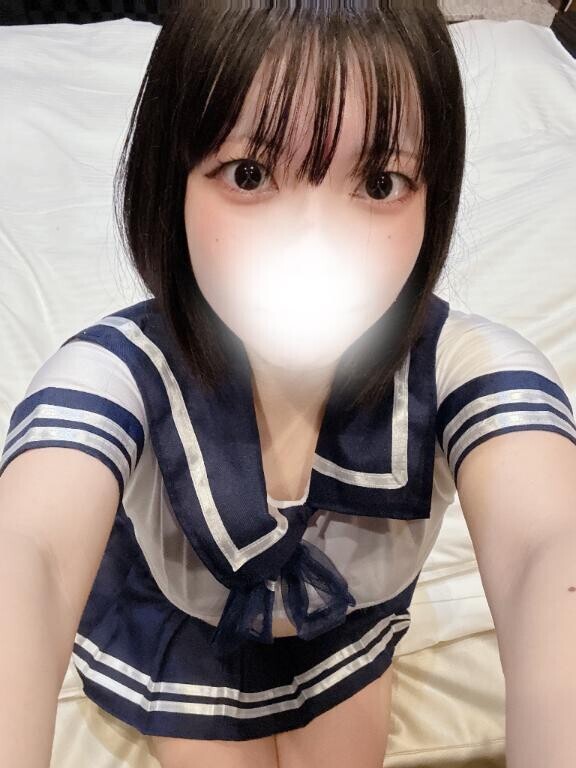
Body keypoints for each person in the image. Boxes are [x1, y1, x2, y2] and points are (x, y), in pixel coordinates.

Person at [1, 2, 575, 767]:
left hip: (343, 627)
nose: (315, 242)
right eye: (250, 174)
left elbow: (548, 544)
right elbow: (29, 549)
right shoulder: (120, 371)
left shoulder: (461, 366)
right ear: (172, 182)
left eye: (380, 181)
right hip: (185, 629)